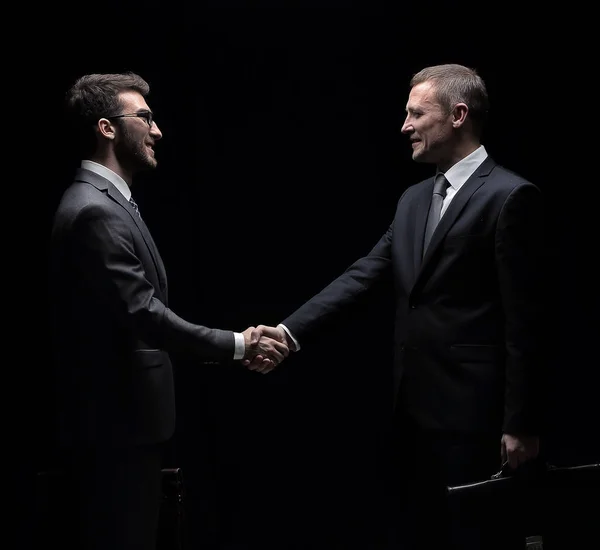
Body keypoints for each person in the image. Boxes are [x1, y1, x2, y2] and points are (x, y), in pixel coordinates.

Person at [246, 64, 546, 549]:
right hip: (412, 411)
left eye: (415, 113)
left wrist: (521, 423)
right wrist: (287, 331)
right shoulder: (413, 199)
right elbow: (365, 274)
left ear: (458, 115)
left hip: (478, 418)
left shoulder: (511, 196)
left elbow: (526, 322)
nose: (404, 126)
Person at [48, 71, 288, 550]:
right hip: (115, 433)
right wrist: (238, 344)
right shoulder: (93, 209)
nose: (157, 131)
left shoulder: (111, 202)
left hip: (126, 428)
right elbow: (144, 313)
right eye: (145, 118)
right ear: (106, 128)